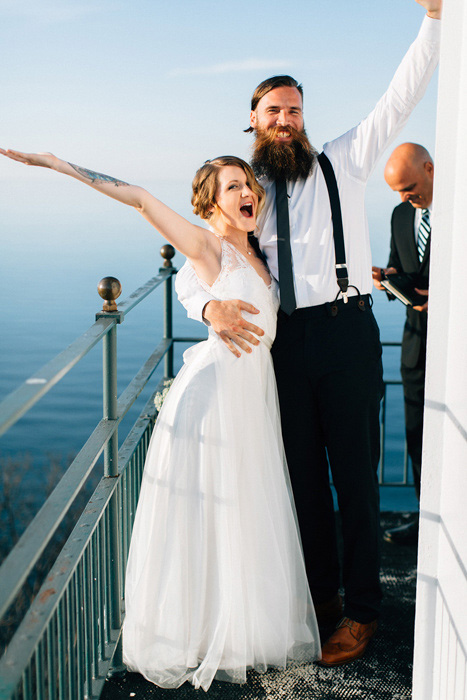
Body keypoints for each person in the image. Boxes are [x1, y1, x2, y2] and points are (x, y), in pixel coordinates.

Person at [176, 0, 442, 666]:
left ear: (303, 118)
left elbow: (401, 94)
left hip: (346, 336)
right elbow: (197, 264)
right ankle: (319, 600)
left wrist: (434, 21)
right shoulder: (244, 190)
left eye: (294, 110)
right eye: (273, 112)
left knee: (353, 481)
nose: (286, 120)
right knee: (300, 482)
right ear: (254, 122)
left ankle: (361, 614)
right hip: (283, 348)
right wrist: (207, 311)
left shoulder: (344, 161)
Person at [0, 148, 320, 689]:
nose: (245, 193)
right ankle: (197, 631)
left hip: (252, 395)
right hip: (216, 395)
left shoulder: (262, 256)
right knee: (210, 510)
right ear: (212, 204)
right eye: (231, 187)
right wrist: (62, 166)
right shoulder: (207, 247)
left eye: (248, 185)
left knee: (244, 507)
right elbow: (143, 201)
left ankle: (242, 625)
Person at [372, 143, 433, 545]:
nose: (403, 198)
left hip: (454, 345)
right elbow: (401, 265)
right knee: (418, 437)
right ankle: (427, 522)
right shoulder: (399, 214)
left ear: (430, 169)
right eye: (397, 192)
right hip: (415, 346)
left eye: (409, 188)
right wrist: (388, 278)